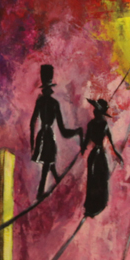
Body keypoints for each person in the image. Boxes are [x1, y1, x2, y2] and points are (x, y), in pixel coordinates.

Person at [30, 65, 79, 200]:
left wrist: (32, 142)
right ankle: (41, 191)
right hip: (47, 137)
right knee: (48, 161)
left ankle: (56, 179)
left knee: (49, 160)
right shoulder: (53, 103)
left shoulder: (40, 102)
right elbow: (63, 130)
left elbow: (32, 123)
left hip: (42, 136)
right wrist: (76, 132)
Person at [81, 98, 122, 218]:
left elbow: (86, 141)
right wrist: (117, 154)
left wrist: (83, 148)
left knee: (96, 178)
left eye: (96, 110)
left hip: (95, 154)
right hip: (98, 155)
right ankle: (96, 204)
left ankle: (94, 205)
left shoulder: (94, 124)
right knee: (98, 178)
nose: (94, 111)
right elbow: (110, 142)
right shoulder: (101, 124)